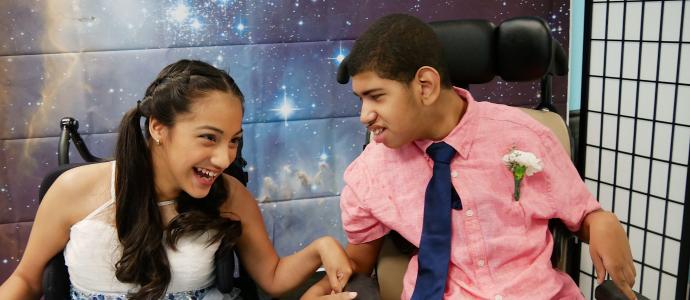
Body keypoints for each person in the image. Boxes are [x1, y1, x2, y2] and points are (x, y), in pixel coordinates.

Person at [303, 14, 636, 300]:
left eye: (376, 97)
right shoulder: (369, 174)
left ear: (425, 86)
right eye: (360, 100)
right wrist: (321, 281)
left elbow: (582, 217)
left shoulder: (525, 135)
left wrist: (602, 221)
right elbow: (359, 265)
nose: (365, 115)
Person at [0, 60, 357, 300]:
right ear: (158, 127)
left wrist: (320, 248)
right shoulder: (73, 189)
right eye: (208, 137)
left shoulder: (229, 196)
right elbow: (26, 280)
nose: (224, 158)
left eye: (233, 140)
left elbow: (273, 277)